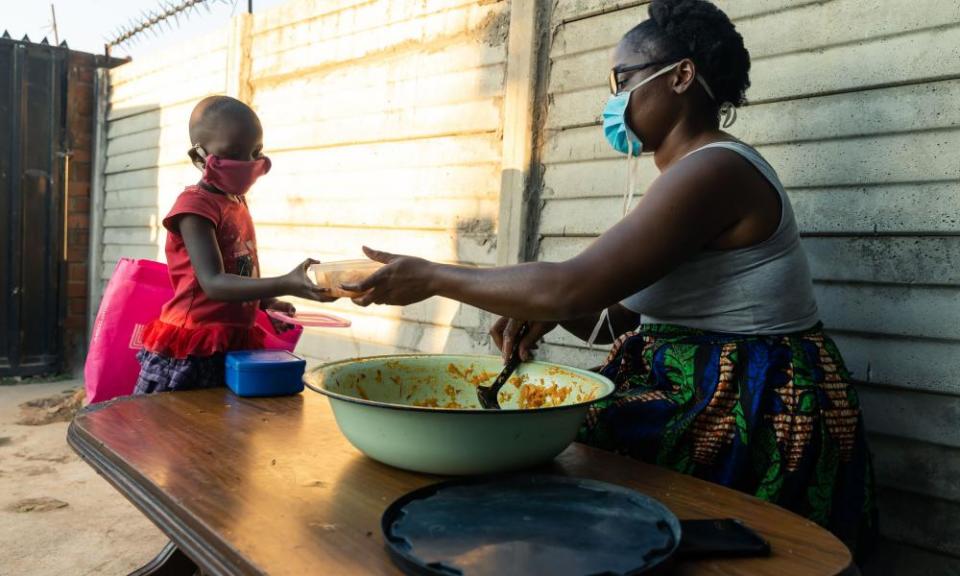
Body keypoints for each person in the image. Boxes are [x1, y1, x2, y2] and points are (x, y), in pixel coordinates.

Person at [343, 0, 876, 559]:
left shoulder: (715, 170)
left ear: (682, 76)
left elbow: (572, 285)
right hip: (708, 382)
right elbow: (612, 319)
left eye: (622, 80)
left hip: (755, 399)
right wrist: (549, 311)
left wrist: (432, 276)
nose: (612, 100)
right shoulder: (687, 173)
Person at [134, 95, 333, 394]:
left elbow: (242, 268)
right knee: (173, 433)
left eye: (255, 152)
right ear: (198, 156)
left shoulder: (237, 201)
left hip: (233, 342)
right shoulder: (194, 207)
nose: (247, 163)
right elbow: (213, 283)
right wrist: (284, 283)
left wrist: (266, 305)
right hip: (192, 347)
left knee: (224, 431)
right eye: (233, 153)